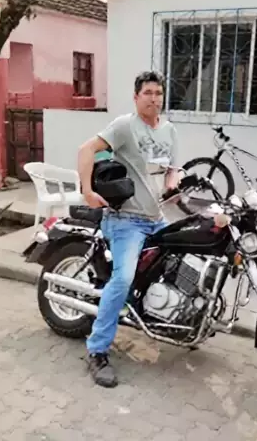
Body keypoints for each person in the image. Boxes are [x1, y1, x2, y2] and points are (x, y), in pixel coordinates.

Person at [76, 71, 180, 388]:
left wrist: (174, 183)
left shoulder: (170, 130)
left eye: (158, 93)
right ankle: (97, 350)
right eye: (148, 93)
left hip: (156, 217)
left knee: (183, 261)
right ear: (136, 97)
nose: (154, 98)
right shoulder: (124, 126)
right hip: (126, 220)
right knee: (123, 278)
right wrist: (87, 191)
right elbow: (86, 149)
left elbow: (172, 169)